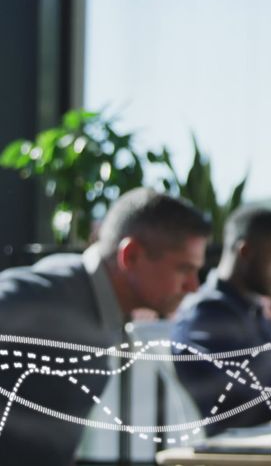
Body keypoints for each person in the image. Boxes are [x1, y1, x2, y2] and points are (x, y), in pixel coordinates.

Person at [0, 188, 210, 464]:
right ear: (131, 255)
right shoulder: (44, 298)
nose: (194, 286)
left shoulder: (99, 303)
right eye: (184, 269)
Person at [172, 207, 271, 435]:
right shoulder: (206, 314)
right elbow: (249, 397)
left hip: (266, 443)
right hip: (238, 451)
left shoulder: (251, 312)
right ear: (246, 251)